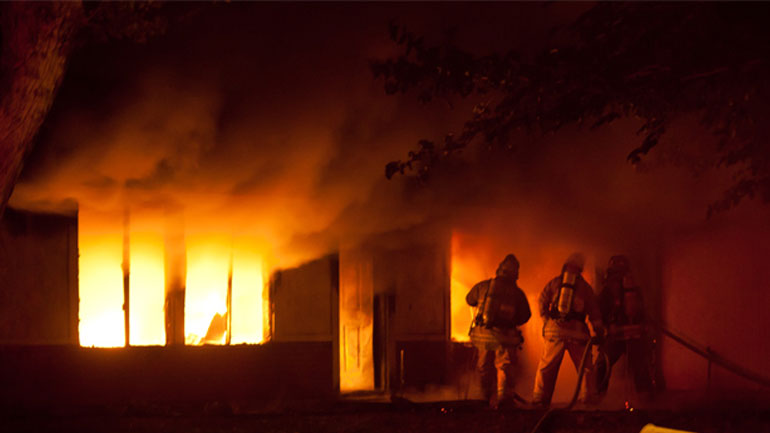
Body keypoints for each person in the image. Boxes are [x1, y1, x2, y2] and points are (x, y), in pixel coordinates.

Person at [532, 253, 605, 407]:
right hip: (578, 333)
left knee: (547, 367)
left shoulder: (554, 282)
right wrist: (598, 331)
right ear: (580, 269)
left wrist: (547, 320)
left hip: (555, 331)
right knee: (585, 368)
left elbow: (542, 301)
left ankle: (539, 399)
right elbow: (594, 311)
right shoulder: (585, 287)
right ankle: (589, 399)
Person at [466, 254, 532, 409]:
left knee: (484, 366)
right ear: (515, 274)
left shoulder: (483, 286)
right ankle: (504, 399)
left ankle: (484, 398)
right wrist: (511, 322)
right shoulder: (517, 293)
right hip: (506, 336)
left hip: (484, 335)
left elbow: (469, 299)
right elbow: (525, 315)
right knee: (505, 366)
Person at [595, 255, 655, 398]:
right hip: (634, 335)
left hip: (616, 336)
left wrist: (605, 328)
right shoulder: (634, 289)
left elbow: (599, 312)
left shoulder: (607, 291)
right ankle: (645, 399)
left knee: (602, 365)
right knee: (640, 369)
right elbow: (643, 311)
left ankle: (598, 397)